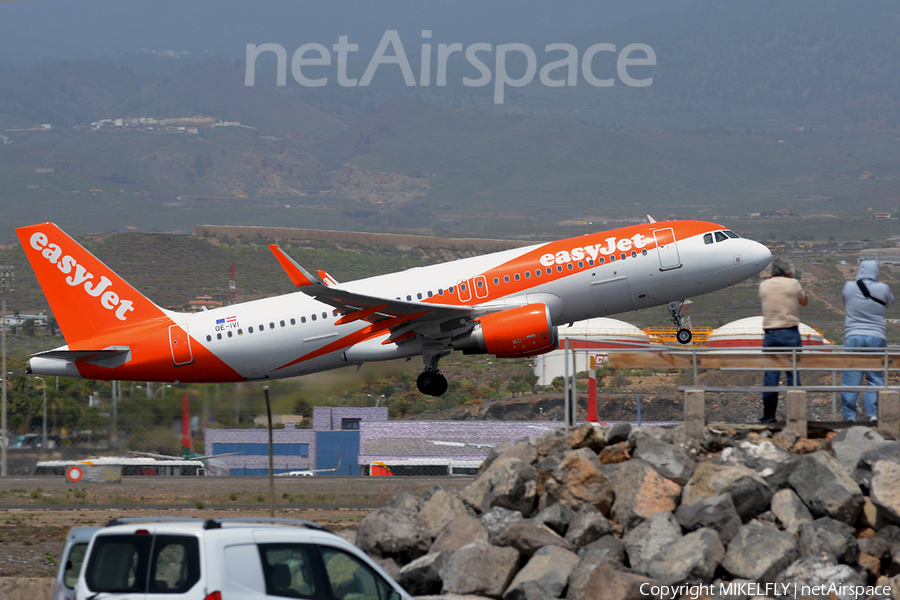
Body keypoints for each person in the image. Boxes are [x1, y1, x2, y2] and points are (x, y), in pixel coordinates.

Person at [840, 259, 893, 421]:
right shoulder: (883, 288)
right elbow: (889, 302)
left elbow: (845, 300)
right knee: (875, 378)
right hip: (876, 337)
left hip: (853, 336)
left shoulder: (849, 287)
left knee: (850, 378)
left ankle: (850, 416)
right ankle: (872, 414)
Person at [758, 257, 808, 423]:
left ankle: (769, 416)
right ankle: (797, 415)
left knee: (771, 376)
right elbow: (804, 302)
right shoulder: (793, 284)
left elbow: (762, 300)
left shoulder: (764, 285)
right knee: (793, 374)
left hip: (771, 334)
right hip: (790, 332)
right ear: (788, 271)